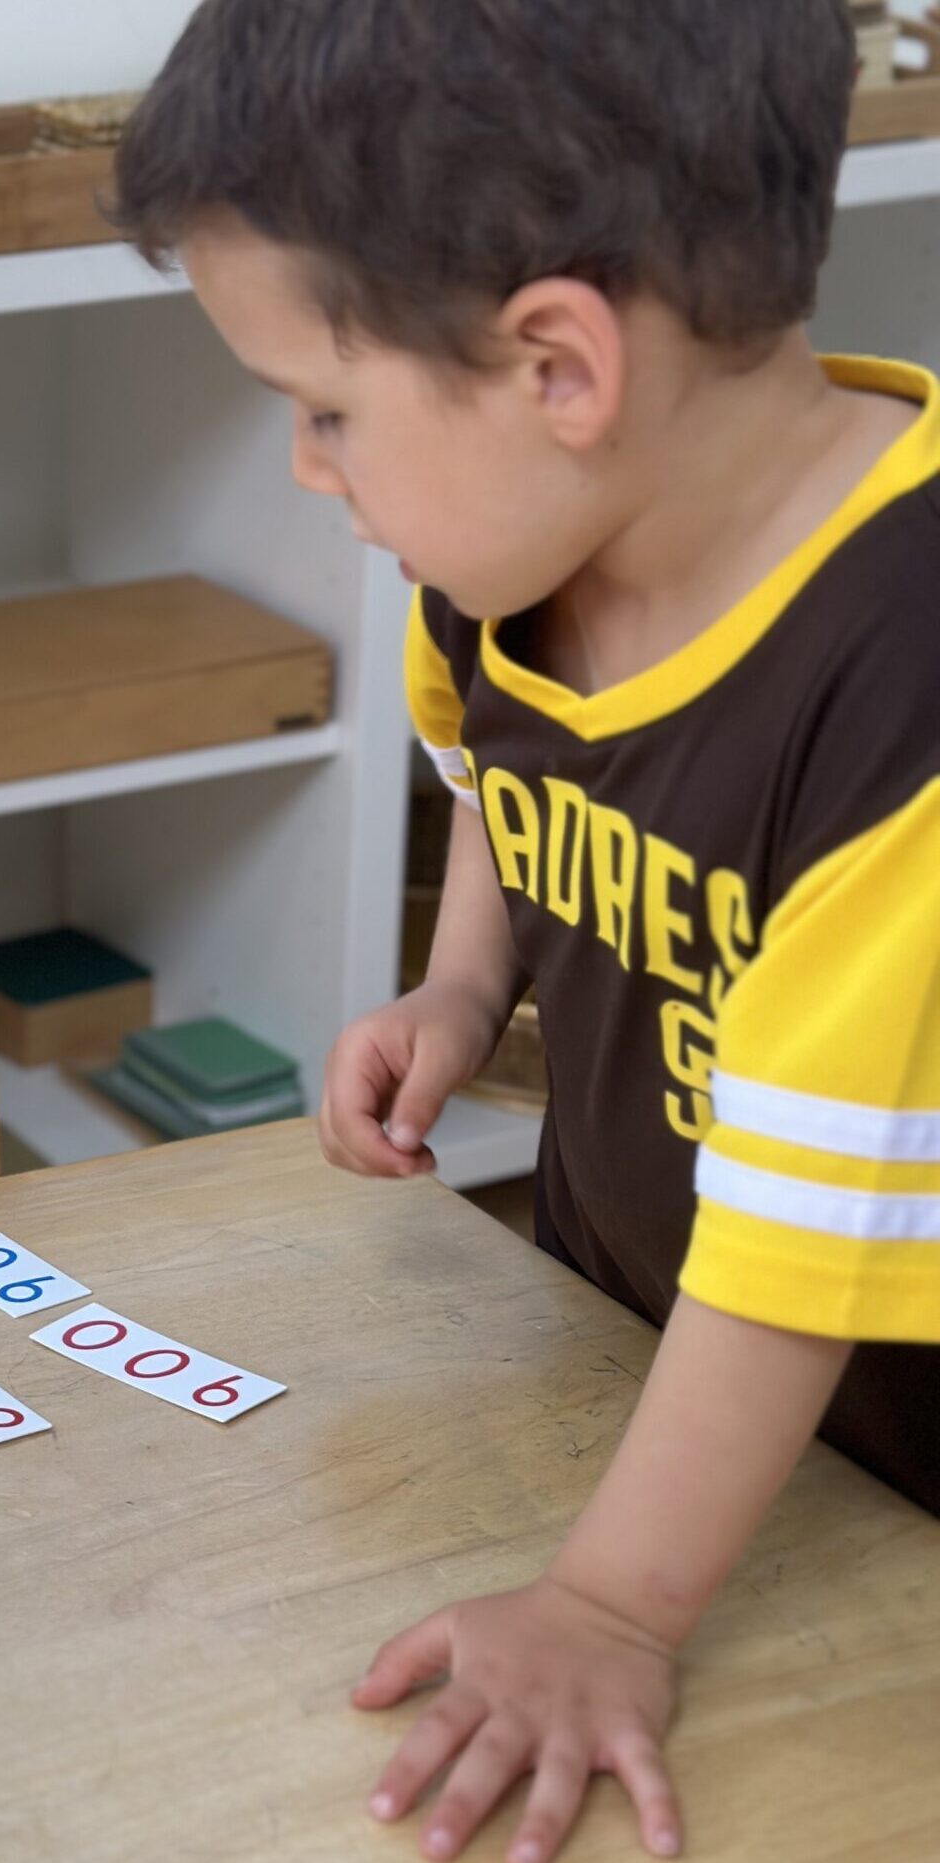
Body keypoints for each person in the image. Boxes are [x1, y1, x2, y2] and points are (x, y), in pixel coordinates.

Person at [113, 3, 940, 1858]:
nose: (314, 477)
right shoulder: (514, 564)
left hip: (887, 1467)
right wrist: (468, 981)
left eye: (325, 415)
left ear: (559, 362)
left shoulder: (908, 701)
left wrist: (614, 1613)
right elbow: (506, 782)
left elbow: (805, 1257)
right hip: (631, 1351)